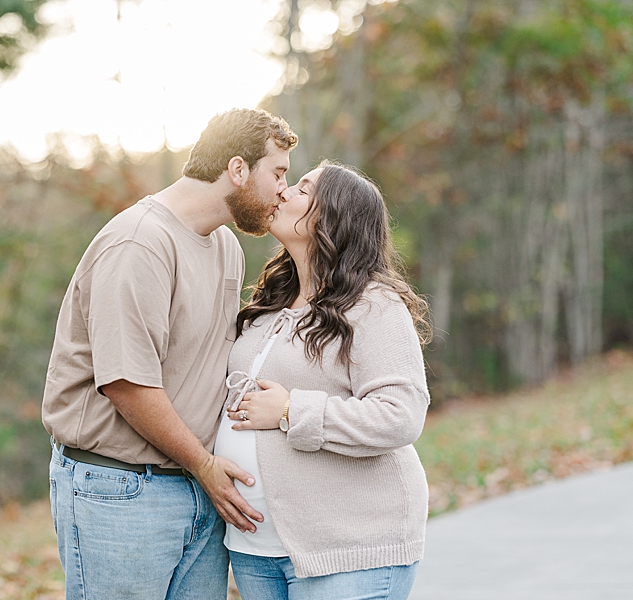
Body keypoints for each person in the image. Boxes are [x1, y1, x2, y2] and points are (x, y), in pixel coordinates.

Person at [42, 108, 298, 600]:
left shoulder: (226, 246)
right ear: (238, 169)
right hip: (120, 492)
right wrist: (203, 465)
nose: (283, 191)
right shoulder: (139, 243)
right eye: (279, 173)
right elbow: (126, 384)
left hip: (199, 488)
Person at [214, 161, 433, 600]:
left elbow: (401, 415)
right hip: (256, 549)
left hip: (351, 551)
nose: (282, 192)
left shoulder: (372, 304)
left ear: (333, 216)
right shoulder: (269, 305)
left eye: (302, 188)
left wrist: (293, 411)